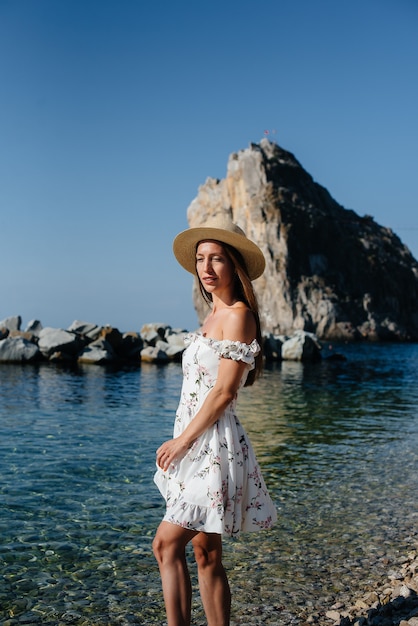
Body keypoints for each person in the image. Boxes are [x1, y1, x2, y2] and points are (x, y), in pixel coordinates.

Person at [153, 215, 277, 626]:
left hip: (213, 447)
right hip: (196, 439)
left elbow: (224, 393)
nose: (207, 268)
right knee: (206, 555)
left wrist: (182, 443)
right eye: (201, 259)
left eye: (217, 259)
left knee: (165, 546)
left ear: (234, 266)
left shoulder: (238, 316)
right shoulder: (211, 317)